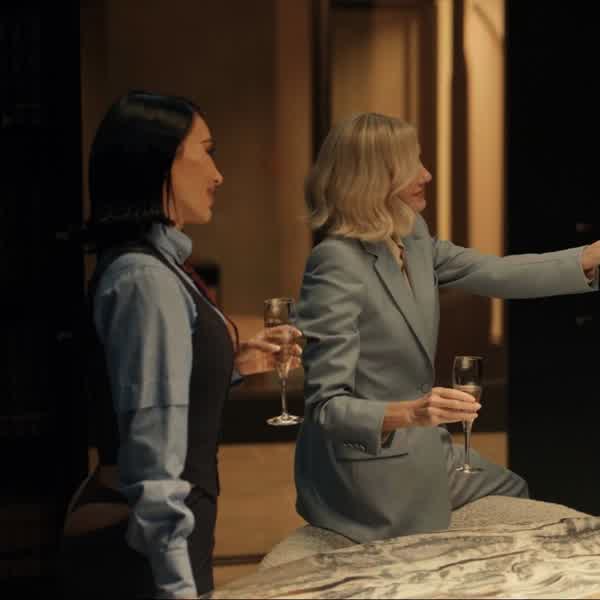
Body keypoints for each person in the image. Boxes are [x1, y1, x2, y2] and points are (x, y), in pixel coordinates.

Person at [294, 112, 600, 544]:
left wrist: (587, 259)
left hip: (425, 446)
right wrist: (412, 413)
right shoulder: (335, 263)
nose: (427, 174)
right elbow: (326, 407)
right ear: (373, 177)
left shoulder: (411, 235)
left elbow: (494, 272)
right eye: (411, 164)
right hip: (367, 468)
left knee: (513, 487)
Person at [58, 91, 301, 599]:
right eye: (206, 152)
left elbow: (155, 385)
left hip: (147, 534)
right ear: (160, 160)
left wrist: (231, 364)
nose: (218, 174)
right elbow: (152, 455)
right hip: (136, 542)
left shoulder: (155, 266)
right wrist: (176, 584)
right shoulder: (145, 278)